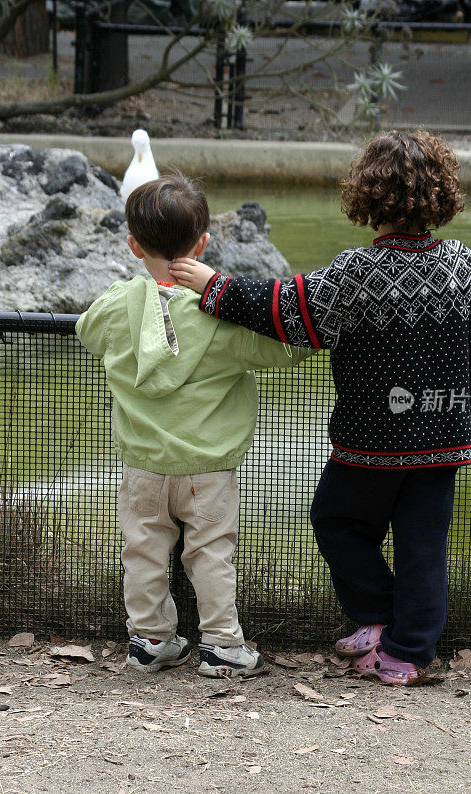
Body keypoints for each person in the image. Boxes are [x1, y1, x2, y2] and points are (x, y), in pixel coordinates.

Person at [169, 130, 471, 685]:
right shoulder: (460, 265)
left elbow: (286, 309)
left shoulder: (356, 272)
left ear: (365, 196)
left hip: (370, 441)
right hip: (442, 438)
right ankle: (408, 653)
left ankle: (376, 617)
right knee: (424, 548)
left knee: (335, 520)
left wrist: (215, 287)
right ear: (442, 195)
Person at [76, 173, 312, 677]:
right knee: (209, 555)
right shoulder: (219, 319)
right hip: (208, 467)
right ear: (203, 244)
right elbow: (289, 348)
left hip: (143, 464)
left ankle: (149, 639)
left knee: (141, 554)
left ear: (133, 244)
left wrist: (131, 296)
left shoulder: (119, 306)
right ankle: (222, 644)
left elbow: (87, 330)